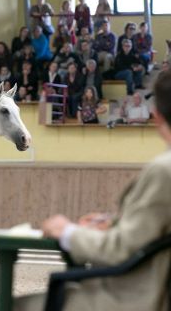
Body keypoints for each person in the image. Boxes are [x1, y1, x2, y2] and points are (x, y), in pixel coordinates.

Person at [12, 69, 171, 311]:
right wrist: (116, 222)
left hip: (138, 298)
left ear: (156, 116)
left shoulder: (163, 171)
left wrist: (68, 232)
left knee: (16, 305)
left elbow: (119, 250)